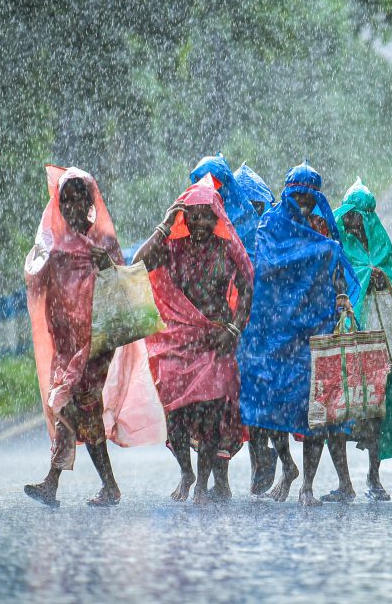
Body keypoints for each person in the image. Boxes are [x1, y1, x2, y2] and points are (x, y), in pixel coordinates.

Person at [238, 161, 362, 506]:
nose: (304, 205)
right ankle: (286, 465)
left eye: (310, 198)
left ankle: (307, 485)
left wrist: (339, 294)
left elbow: (335, 266)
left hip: (315, 326)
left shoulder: (323, 227)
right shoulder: (271, 225)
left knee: (315, 410)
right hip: (278, 331)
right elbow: (263, 267)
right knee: (271, 403)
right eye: (299, 197)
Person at [134, 176, 254, 504]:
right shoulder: (173, 248)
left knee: (212, 413)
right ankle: (186, 473)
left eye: (206, 215)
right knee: (176, 415)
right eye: (193, 215)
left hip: (216, 341)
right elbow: (137, 266)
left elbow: (247, 284)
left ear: (217, 219)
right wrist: (163, 226)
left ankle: (203, 482)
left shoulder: (226, 249)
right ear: (183, 218)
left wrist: (233, 329)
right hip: (178, 343)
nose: (200, 222)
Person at [23, 166, 125, 507]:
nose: (72, 207)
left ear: (91, 202)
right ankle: (107, 486)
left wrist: (106, 265)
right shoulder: (54, 247)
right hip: (67, 344)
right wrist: (44, 263)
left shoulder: (104, 243)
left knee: (70, 404)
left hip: (95, 344)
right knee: (79, 410)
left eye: (79, 199)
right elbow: (36, 281)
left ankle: (53, 483)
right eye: (65, 200)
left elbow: (122, 289)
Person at [333, 178, 392, 501]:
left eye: (357, 216)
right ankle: (344, 480)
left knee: (377, 407)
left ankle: (373, 474)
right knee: (341, 404)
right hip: (348, 334)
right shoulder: (338, 242)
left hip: (379, 338)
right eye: (350, 216)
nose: (352, 222)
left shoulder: (380, 245)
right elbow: (337, 280)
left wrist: (381, 279)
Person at [232, 161, 298, 497]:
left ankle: (279, 462)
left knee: (267, 404)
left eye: (256, 206)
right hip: (248, 334)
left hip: (271, 334)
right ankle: (266, 462)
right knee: (253, 405)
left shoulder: (274, 232)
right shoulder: (237, 234)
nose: (252, 213)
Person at [190, 154, 259, 259]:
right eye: (201, 182)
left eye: (213, 183)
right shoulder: (195, 209)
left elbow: (249, 258)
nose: (207, 187)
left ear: (224, 184)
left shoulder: (244, 215)